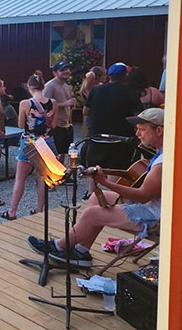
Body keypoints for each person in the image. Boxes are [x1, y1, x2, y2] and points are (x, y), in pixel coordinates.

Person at [27, 108, 165, 267]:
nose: (137, 134)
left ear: (159, 130)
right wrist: (104, 172)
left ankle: (58, 246)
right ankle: (81, 251)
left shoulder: (162, 164)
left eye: (142, 130)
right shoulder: (160, 154)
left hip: (155, 218)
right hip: (151, 205)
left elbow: (143, 195)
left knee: (93, 214)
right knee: (95, 198)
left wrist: (105, 182)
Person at [2, 72, 58, 220]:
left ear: (29, 87)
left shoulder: (25, 103)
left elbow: (21, 125)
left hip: (30, 142)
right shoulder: (53, 103)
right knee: (42, 177)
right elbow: (53, 125)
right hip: (47, 142)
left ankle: (12, 211)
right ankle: (39, 209)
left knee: (20, 178)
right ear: (43, 86)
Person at [84, 63, 143, 170]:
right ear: (125, 76)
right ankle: (111, 187)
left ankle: (92, 187)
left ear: (108, 76)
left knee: (94, 169)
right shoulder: (130, 93)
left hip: (97, 136)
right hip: (120, 138)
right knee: (116, 170)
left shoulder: (96, 90)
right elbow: (139, 115)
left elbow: (86, 111)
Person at [44, 61, 77, 157]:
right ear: (55, 72)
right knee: (54, 155)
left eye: (67, 69)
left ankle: (61, 172)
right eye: (62, 70)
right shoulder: (50, 85)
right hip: (56, 126)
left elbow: (68, 104)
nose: (66, 71)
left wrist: (70, 105)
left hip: (66, 125)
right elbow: (44, 105)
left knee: (63, 153)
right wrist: (65, 104)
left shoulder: (66, 86)